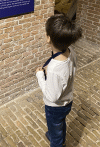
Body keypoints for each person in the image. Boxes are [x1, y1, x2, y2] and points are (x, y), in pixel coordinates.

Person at [36, 13, 82, 147]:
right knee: (60, 123)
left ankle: (57, 141)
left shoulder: (55, 69)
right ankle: (54, 134)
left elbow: (52, 96)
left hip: (55, 107)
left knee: (56, 127)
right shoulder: (70, 51)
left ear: (48, 38)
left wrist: (40, 75)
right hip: (67, 102)